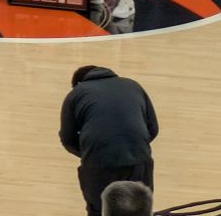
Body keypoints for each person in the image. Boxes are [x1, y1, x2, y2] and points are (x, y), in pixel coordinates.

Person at [60, 65, 158, 216]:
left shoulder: (76, 93)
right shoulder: (132, 85)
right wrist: (131, 146)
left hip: (99, 162)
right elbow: (153, 128)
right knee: (140, 209)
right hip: (138, 158)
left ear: (78, 83)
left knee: (99, 210)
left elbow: (67, 138)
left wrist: (92, 152)